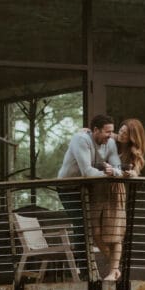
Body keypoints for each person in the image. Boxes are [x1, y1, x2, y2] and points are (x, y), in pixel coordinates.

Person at [56, 114, 119, 274]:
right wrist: (110, 174)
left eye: (112, 132)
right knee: (81, 223)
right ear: (95, 130)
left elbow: (117, 165)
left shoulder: (110, 142)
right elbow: (87, 171)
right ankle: (83, 270)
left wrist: (116, 171)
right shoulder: (80, 139)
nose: (110, 136)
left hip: (88, 188)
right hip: (68, 188)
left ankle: (102, 266)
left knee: (94, 226)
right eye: (107, 132)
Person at [97, 118, 145, 281]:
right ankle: (116, 264)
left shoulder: (133, 153)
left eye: (126, 133)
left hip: (116, 191)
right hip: (99, 190)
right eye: (122, 130)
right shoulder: (112, 140)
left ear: (133, 136)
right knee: (95, 232)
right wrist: (85, 132)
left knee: (115, 233)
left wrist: (123, 173)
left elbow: (135, 173)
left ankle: (113, 270)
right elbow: (98, 134)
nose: (122, 134)